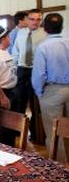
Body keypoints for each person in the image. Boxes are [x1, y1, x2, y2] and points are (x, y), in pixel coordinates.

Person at [31, 13, 69, 163]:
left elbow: (39, 75)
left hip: (53, 91)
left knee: (54, 132)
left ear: (45, 28)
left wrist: (40, 93)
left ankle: (59, 169)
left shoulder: (43, 47)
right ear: (62, 27)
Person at [12, 9, 46, 142]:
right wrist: (14, 69)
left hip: (36, 71)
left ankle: (36, 135)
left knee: (35, 104)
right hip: (21, 70)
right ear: (27, 19)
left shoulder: (44, 34)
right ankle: (17, 132)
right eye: (32, 19)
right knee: (19, 103)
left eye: (38, 19)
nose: (35, 22)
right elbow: (16, 51)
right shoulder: (21, 32)